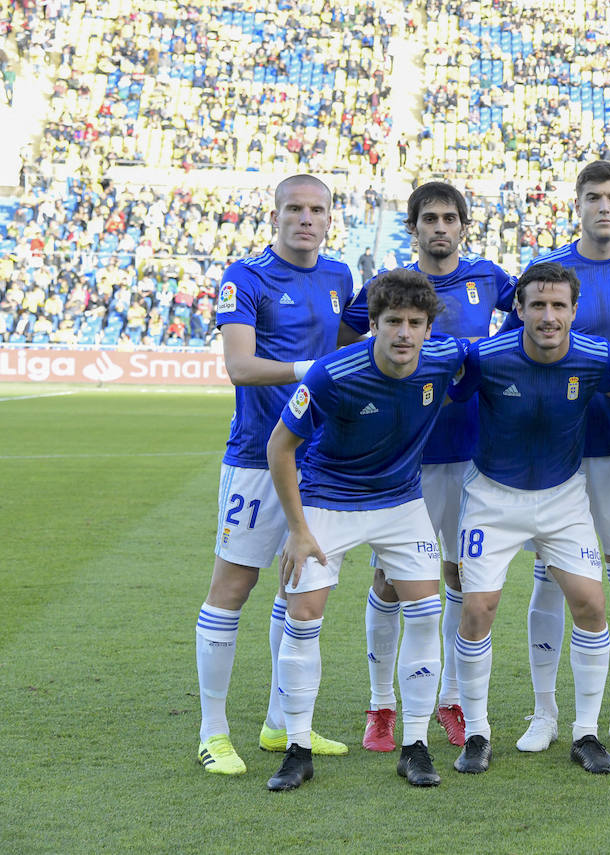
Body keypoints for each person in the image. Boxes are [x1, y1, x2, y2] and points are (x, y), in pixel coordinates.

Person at [263, 270, 465, 791]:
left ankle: (415, 746)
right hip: (330, 501)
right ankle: (297, 748)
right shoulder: (333, 374)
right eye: (392, 321)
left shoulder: (446, 360)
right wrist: (298, 529)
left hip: (401, 503)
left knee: (424, 612)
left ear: (428, 328)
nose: (404, 332)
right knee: (303, 615)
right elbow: (279, 447)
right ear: (373, 324)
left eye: (414, 323)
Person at [448, 262, 610, 775]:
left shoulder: (595, 356)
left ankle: (584, 731)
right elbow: (438, 392)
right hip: (493, 497)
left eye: (559, 305)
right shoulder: (486, 357)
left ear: (574, 311)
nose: (548, 315)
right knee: (478, 610)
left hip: (563, 497)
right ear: (518, 308)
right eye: (537, 304)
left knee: (590, 605)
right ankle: (476, 733)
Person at [504, 161, 610, 753]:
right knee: (551, 579)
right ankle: (545, 712)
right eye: (594, 197)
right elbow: (514, 349)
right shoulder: (549, 273)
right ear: (576, 204)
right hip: (556, 448)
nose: (604, 206)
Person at [340, 182, 515, 753]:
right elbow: (345, 347)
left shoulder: (489, 280)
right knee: (391, 581)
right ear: (412, 227)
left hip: (472, 457)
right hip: (403, 461)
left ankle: (453, 701)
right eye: (429, 218)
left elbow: (533, 323)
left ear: (464, 226)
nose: (440, 227)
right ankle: (381, 705)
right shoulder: (387, 290)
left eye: (449, 218)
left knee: (462, 578)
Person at [193, 175, 354, 776]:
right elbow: (238, 366)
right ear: (276, 214)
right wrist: (311, 369)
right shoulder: (247, 277)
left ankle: (280, 722)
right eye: (295, 209)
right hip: (257, 459)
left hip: (316, 463)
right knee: (233, 589)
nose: (305, 219)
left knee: (301, 592)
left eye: (316, 210)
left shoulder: (340, 278)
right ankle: (213, 732)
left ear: (330, 218)